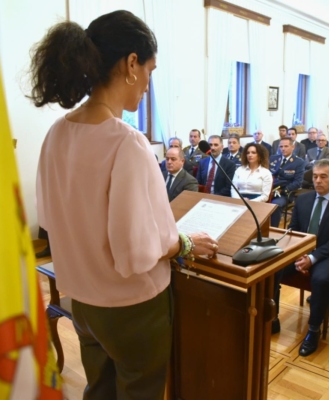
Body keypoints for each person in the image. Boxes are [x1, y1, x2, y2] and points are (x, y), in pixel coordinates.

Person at [30, 11, 218, 399]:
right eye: (150, 70)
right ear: (131, 64)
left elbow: (48, 220)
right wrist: (182, 243)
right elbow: (135, 252)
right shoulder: (126, 143)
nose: (148, 85)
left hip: (82, 301)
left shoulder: (56, 134)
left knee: (99, 390)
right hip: (132, 308)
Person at [272, 159, 329, 356]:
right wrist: (298, 253)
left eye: (323, 177)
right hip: (301, 251)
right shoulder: (303, 199)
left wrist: (313, 257)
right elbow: (293, 230)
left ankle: (313, 330)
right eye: (315, 176)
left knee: (321, 278)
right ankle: (273, 317)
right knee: (273, 268)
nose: (318, 181)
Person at [269, 137, 305, 227]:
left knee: (276, 205)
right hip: (268, 189)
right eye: (281, 146)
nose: (283, 149)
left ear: (293, 147)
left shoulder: (298, 162)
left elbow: (298, 182)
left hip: (284, 193)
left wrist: (284, 190)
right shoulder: (273, 159)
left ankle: (274, 230)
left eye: (286, 146)